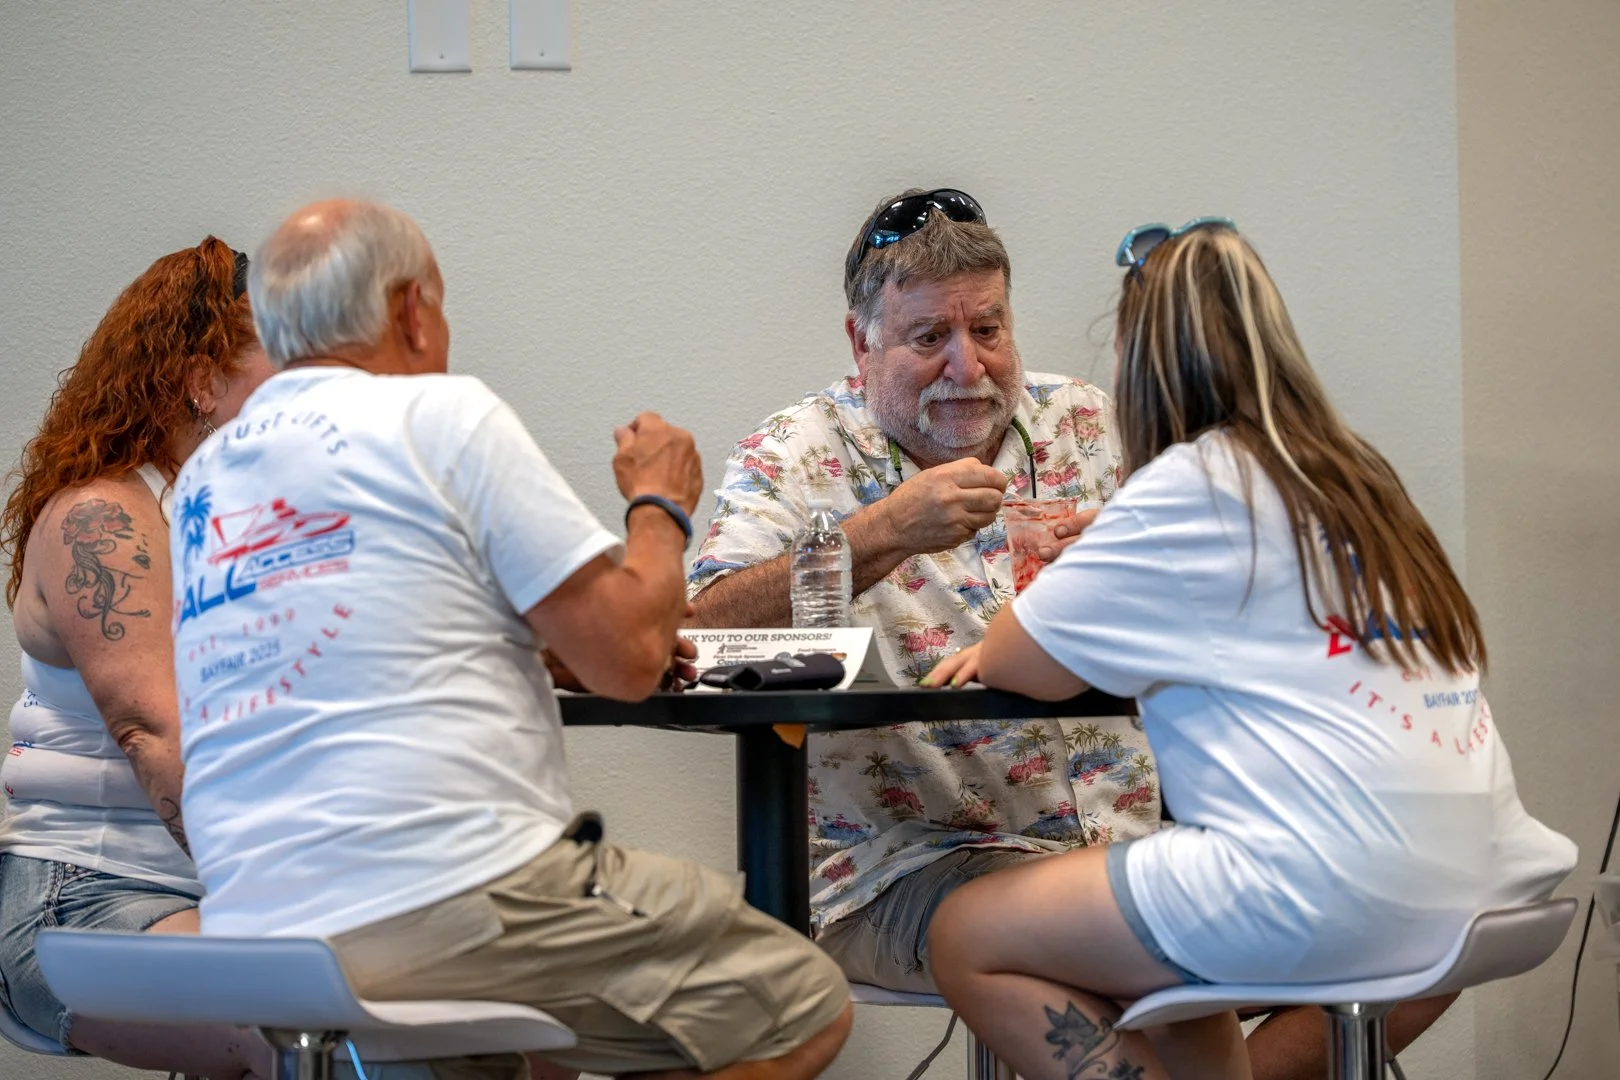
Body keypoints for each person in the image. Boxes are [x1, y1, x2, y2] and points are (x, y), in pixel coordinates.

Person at [170, 198, 852, 1080]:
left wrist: (527, 647)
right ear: (412, 309)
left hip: (256, 925)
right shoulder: (438, 415)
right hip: (444, 892)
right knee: (798, 1007)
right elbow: (633, 661)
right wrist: (660, 504)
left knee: (519, 1060)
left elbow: (350, 638)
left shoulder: (203, 480)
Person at [924, 219, 1579, 1080]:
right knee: (1158, 961)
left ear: (1143, 364)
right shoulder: (1356, 477)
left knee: (965, 933)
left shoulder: (1188, 484)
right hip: (1483, 876)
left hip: (1334, 881)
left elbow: (1015, 662)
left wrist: (1097, 555)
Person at [686, 188, 1156, 988]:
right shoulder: (793, 454)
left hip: (1132, 840)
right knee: (1126, 947)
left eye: (987, 331)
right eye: (931, 336)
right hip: (901, 866)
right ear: (861, 344)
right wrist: (884, 532)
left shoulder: (1086, 423)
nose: (968, 368)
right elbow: (699, 650)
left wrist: (1133, 572)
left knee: (1416, 927)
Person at [0, 237, 276, 1077]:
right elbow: (155, 732)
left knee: (522, 1027)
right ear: (202, 381)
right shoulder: (103, 523)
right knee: (336, 1039)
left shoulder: (231, 527)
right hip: (84, 896)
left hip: (196, 889)